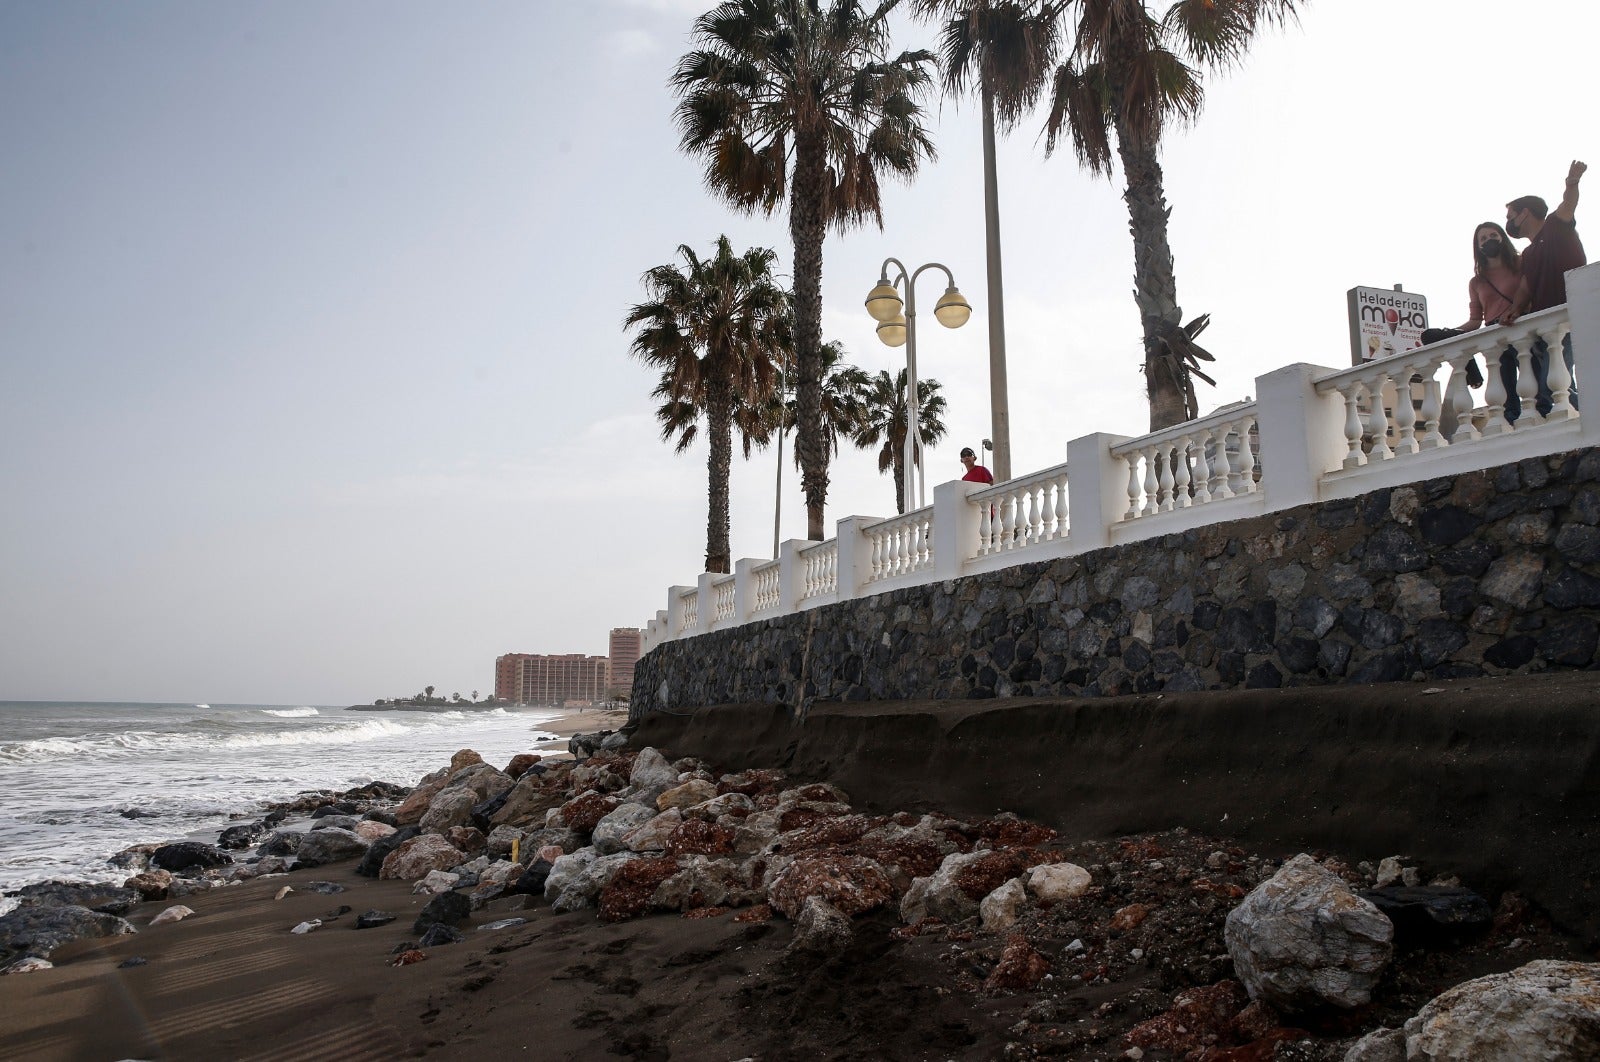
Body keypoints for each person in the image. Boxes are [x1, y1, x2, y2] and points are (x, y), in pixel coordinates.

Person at [1501, 160, 1586, 419]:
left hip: (1569, 321)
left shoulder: (1554, 225)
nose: (1509, 222)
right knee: (1551, 388)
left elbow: (1568, 205)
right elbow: (1526, 288)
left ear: (1525, 212)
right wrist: (1514, 310)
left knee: (1554, 386)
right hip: (1545, 328)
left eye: (1511, 216)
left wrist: (1572, 183)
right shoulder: (1528, 253)